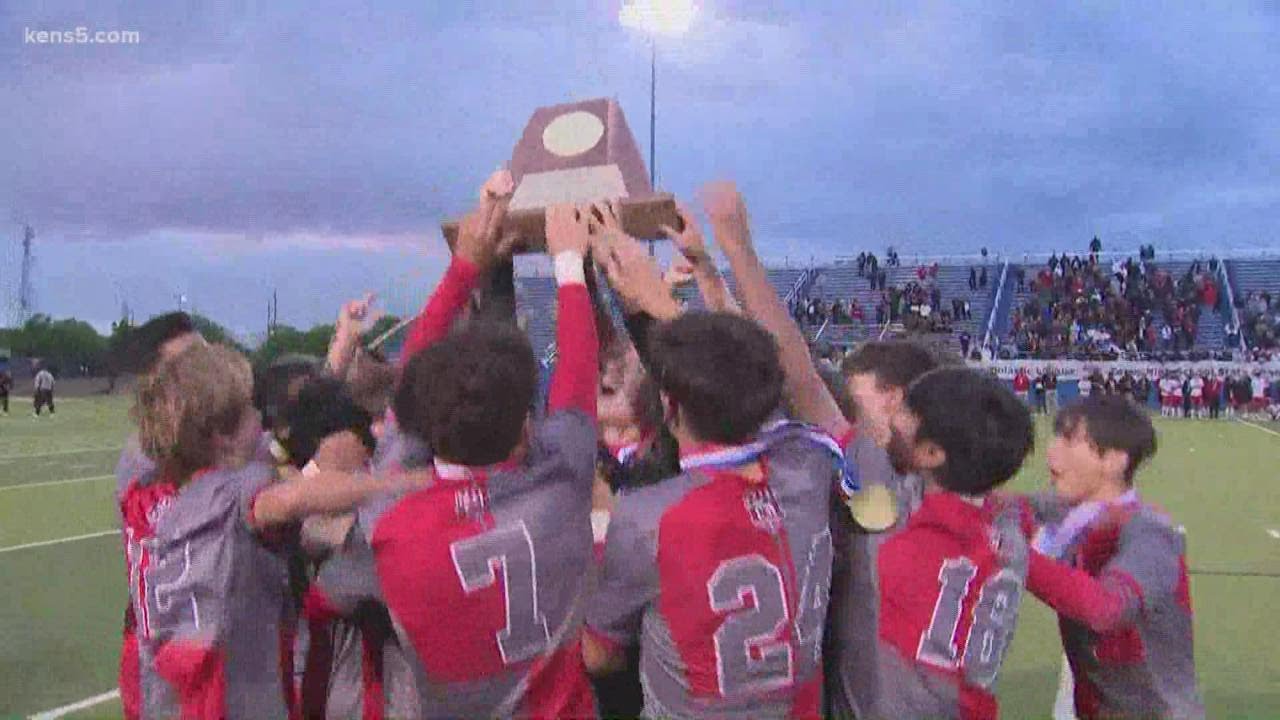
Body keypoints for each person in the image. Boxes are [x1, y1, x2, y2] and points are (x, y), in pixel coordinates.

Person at [309, 198, 601, 718]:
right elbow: (577, 379)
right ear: (526, 424)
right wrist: (569, 269)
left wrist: (464, 266)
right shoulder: (561, 484)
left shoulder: (390, 519)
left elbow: (407, 397)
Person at [584, 183, 848, 718]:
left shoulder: (649, 516)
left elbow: (599, 654)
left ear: (669, 406)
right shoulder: (810, 466)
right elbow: (750, 377)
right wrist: (685, 283)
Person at [120, 342, 407, 718]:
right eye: (252, 410)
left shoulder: (140, 492)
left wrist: (337, 358)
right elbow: (282, 502)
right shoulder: (237, 495)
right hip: (226, 698)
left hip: (161, 688)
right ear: (221, 435)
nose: (263, 421)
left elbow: (272, 446)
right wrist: (384, 482)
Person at [1025, 396, 1204, 719]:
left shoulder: (1150, 533)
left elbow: (1107, 608)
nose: (1051, 450)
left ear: (1114, 461)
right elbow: (1011, 510)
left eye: (1069, 440)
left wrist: (1014, 555)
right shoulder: (1071, 513)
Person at [875, 367, 1035, 718]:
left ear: (932, 453)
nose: (892, 418)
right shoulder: (1006, 533)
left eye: (905, 412)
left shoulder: (913, 537)